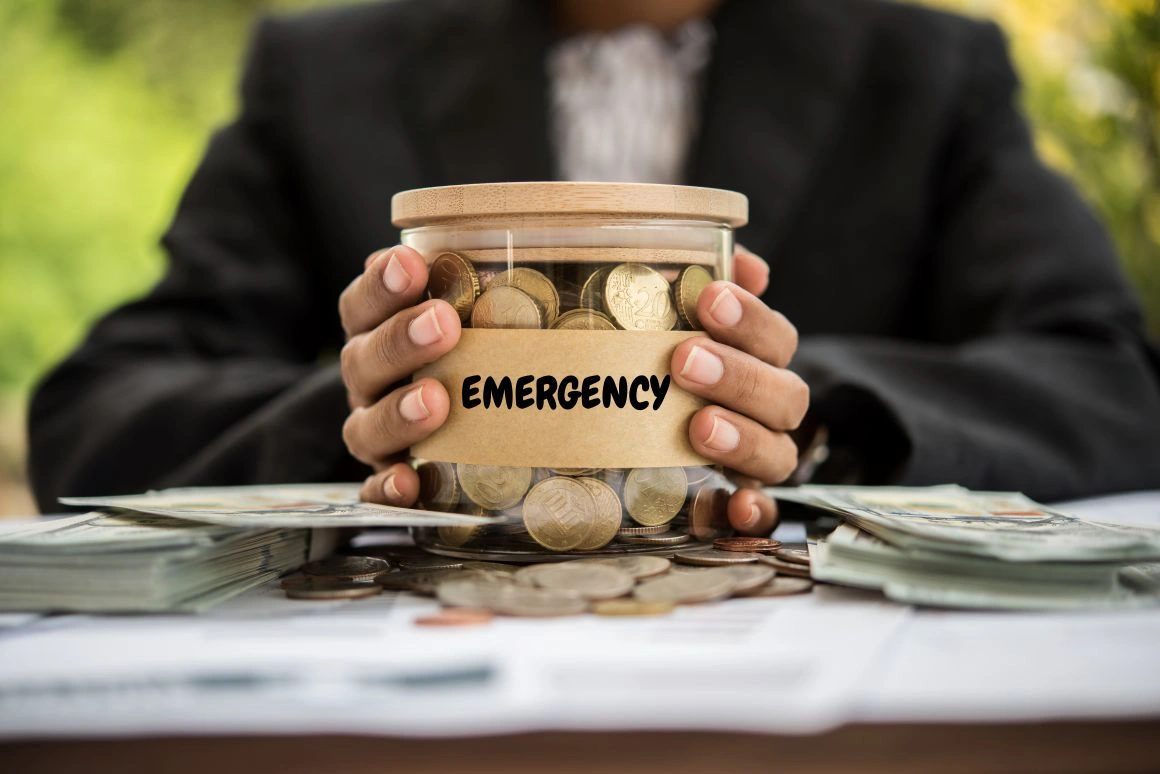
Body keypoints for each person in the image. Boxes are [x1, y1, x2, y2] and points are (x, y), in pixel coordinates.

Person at [28, 0, 1160, 532]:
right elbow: (93, 413)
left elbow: (1115, 384)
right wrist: (400, 410)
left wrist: (807, 415)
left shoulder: (930, 69)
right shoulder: (319, 71)